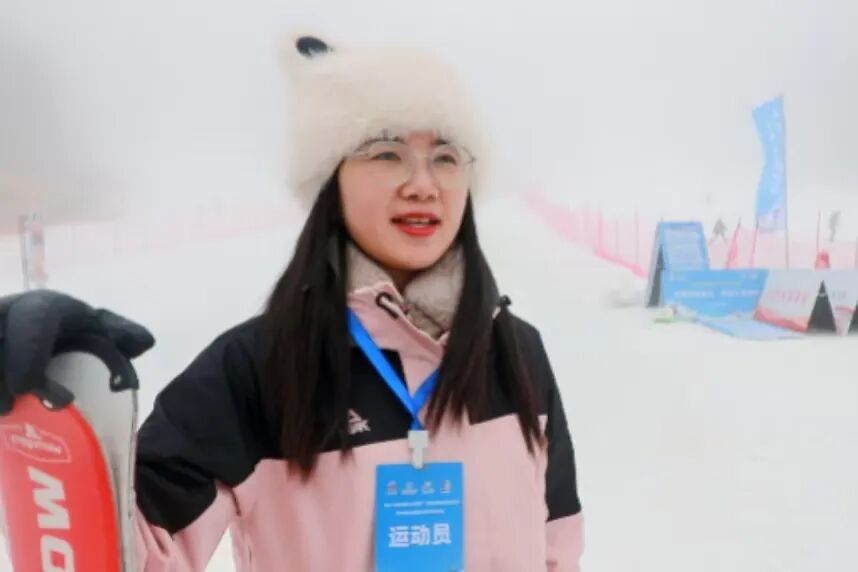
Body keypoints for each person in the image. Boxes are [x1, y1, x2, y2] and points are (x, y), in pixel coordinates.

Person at [0, 35, 584, 571]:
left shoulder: (515, 353)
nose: (423, 185)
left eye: (447, 157)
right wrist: (64, 428)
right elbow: (123, 555)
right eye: (387, 153)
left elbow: (556, 548)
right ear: (331, 178)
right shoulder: (258, 368)